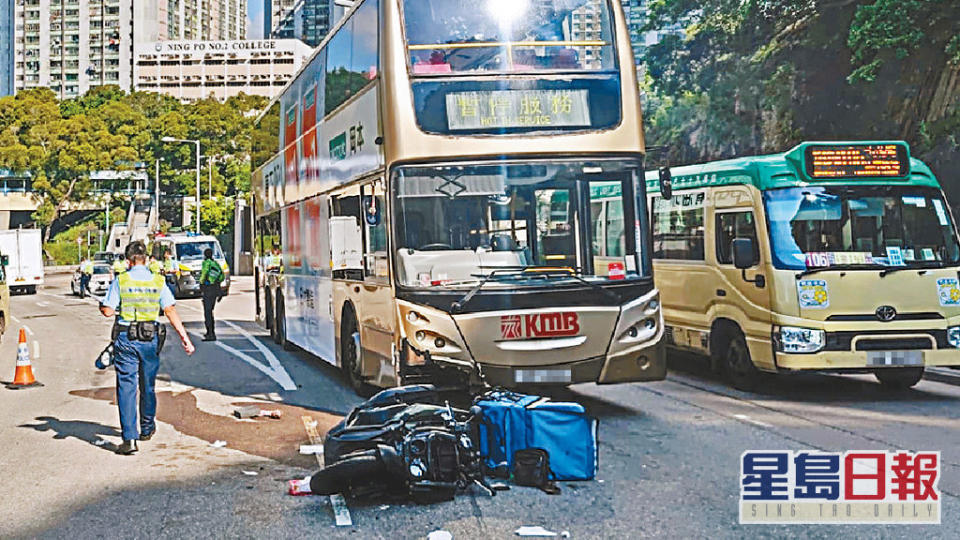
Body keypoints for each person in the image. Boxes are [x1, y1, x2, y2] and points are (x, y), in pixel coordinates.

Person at [99, 241, 195, 455]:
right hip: (150, 339)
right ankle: (147, 427)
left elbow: (108, 311)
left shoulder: (121, 280)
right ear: (146, 259)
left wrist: (104, 307)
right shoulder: (158, 281)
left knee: (126, 387)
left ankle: (129, 439)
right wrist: (185, 338)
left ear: (129, 260)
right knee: (148, 386)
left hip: (126, 338)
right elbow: (169, 311)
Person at [199, 248, 225, 342]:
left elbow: (204, 273)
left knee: (207, 312)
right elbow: (222, 276)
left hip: (208, 288)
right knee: (210, 310)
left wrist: (201, 283)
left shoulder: (206, 263)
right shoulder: (215, 263)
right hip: (215, 289)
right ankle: (210, 332)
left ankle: (210, 333)